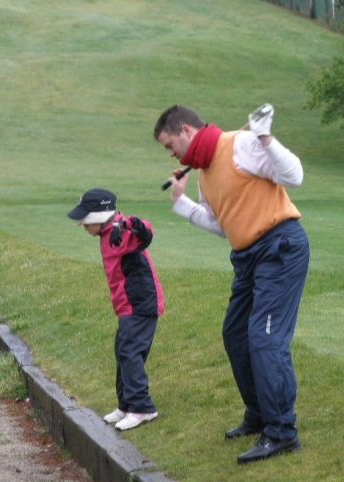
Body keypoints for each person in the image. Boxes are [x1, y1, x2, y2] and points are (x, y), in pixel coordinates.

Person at [153, 104, 310, 464]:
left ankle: (282, 432)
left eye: (169, 145)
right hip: (248, 256)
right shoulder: (205, 172)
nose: (171, 154)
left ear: (187, 132)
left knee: (265, 338)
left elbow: (294, 175)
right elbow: (224, 224)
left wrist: (266, 137)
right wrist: (181, 202)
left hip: (279, 246)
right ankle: (259, 414)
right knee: (236, 334)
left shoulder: (240, 144)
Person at [67, 188, 164, 431]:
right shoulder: (107, 234)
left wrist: (129, 224)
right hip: (126, 305)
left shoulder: (122, 230)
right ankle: (126, 404)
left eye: (84, 220)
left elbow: (146, 231)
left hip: (141, 303)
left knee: (130, 351)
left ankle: (143, 408)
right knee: (122, 350)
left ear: (98, 216)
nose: (81, 225)